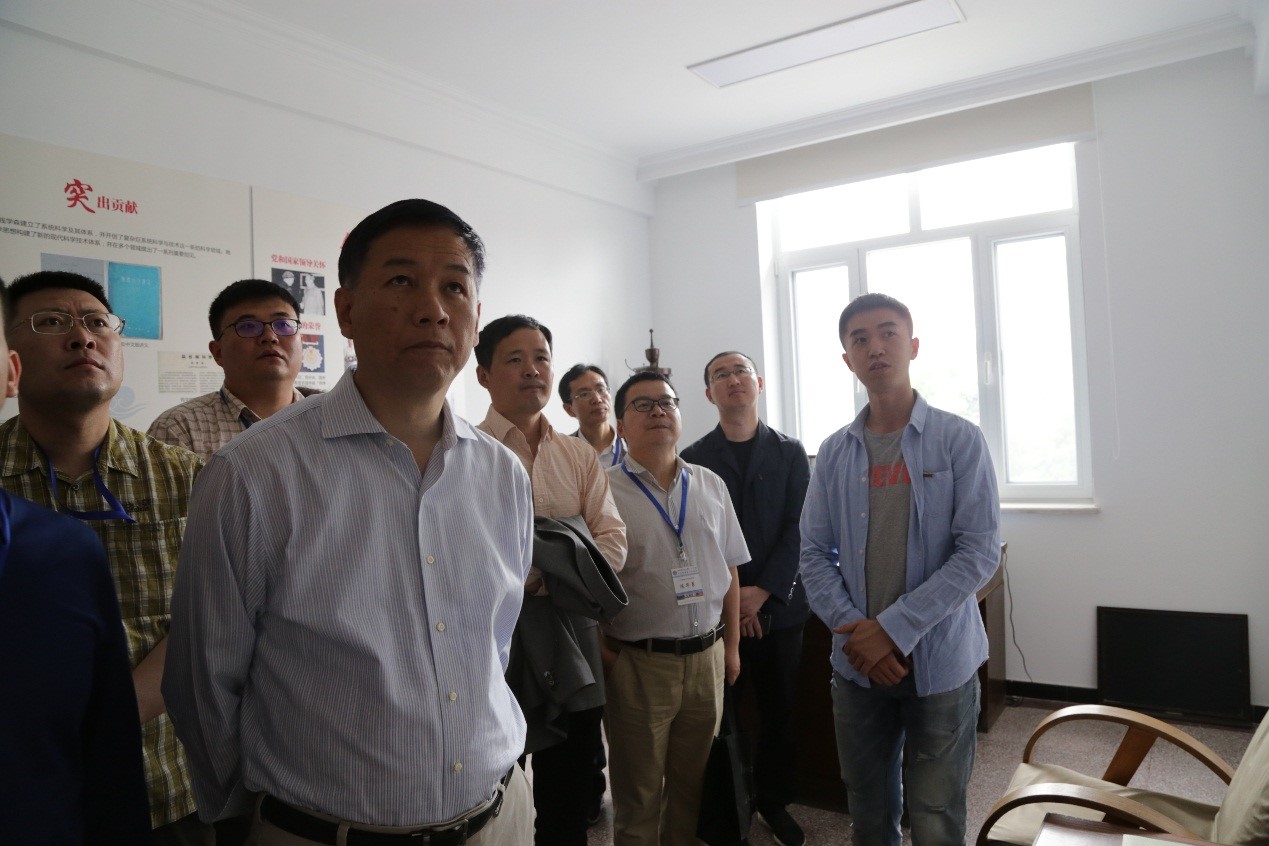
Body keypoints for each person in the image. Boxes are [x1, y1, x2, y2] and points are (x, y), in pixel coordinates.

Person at [163, 199, 535, 845]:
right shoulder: (253, 472)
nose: (432, 309)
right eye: (401, 280)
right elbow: (205, 682)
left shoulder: (502, 473)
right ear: (345, 311)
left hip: (499, 817)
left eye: (454, 287)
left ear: (476, 316)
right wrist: (249, 819)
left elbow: (492, 647)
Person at [0, 270, 209, 843]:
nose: (82, 337)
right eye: (50, 323)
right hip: (21, 792)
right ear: (10, 363)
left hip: (165, 790)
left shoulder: (190, 478)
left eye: (97, 322)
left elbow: (207, 619)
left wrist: (106, 718)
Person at [799, 293, 1000, 846]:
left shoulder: (959, 439)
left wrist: (891, 630)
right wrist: (858, 635)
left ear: (912, 346)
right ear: (847, 359)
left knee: (935, 814)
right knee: (868, 808)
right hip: (857, 667)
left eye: (888, 333)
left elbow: (979, 551)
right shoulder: (834, 452)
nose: (875, 348)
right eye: (859, 339)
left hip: (941, 663)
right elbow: (813, 553)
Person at [474, 314, 626, 845]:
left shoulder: (577, 454)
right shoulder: (464, 451)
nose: (532, 370)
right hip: (495, 644)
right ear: (483, 375)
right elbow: (462, 553)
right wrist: (564, 554)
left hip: (572, 637)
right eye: (515, 359)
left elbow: (612, 543)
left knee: (570, 796)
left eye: (540, 358)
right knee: (495, 794)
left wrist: (541, 578)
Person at [602, 371, 745, 846]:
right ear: (621, 425)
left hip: (707, 660)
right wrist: (608, 657)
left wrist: (731, 648)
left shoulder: (710, 484)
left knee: (691, 791)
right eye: (642, 405)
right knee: (638, 794)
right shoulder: (602, 490)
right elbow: (586, 585)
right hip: (639, 663)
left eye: (667, 402)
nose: (658, 411)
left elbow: (730, 569)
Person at [680, 350, 811, 846]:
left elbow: (800, 527)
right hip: (720, 611)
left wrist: (764, 592)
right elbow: (696, 538)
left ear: (758, 383)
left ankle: (775, 802)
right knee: (722, 717)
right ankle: (728, 811)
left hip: (780, 606)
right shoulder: (693, 458)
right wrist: (736, 600)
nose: (732, 379)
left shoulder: (791, 452)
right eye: (720, 374)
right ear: (708, 393)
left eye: (740, 371)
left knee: (780, 712)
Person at [148, 278, 315, 458]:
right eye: (248, 326)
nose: (270, 336)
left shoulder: (326, 417)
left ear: (302, 343)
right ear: (218, 352)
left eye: (283, 324)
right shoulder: (178, 429)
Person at [559, 363, 624, 467]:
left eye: (601, 390)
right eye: (584, 394)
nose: (597, 399)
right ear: (569, 409)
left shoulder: (633, 445)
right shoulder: (560, 453)